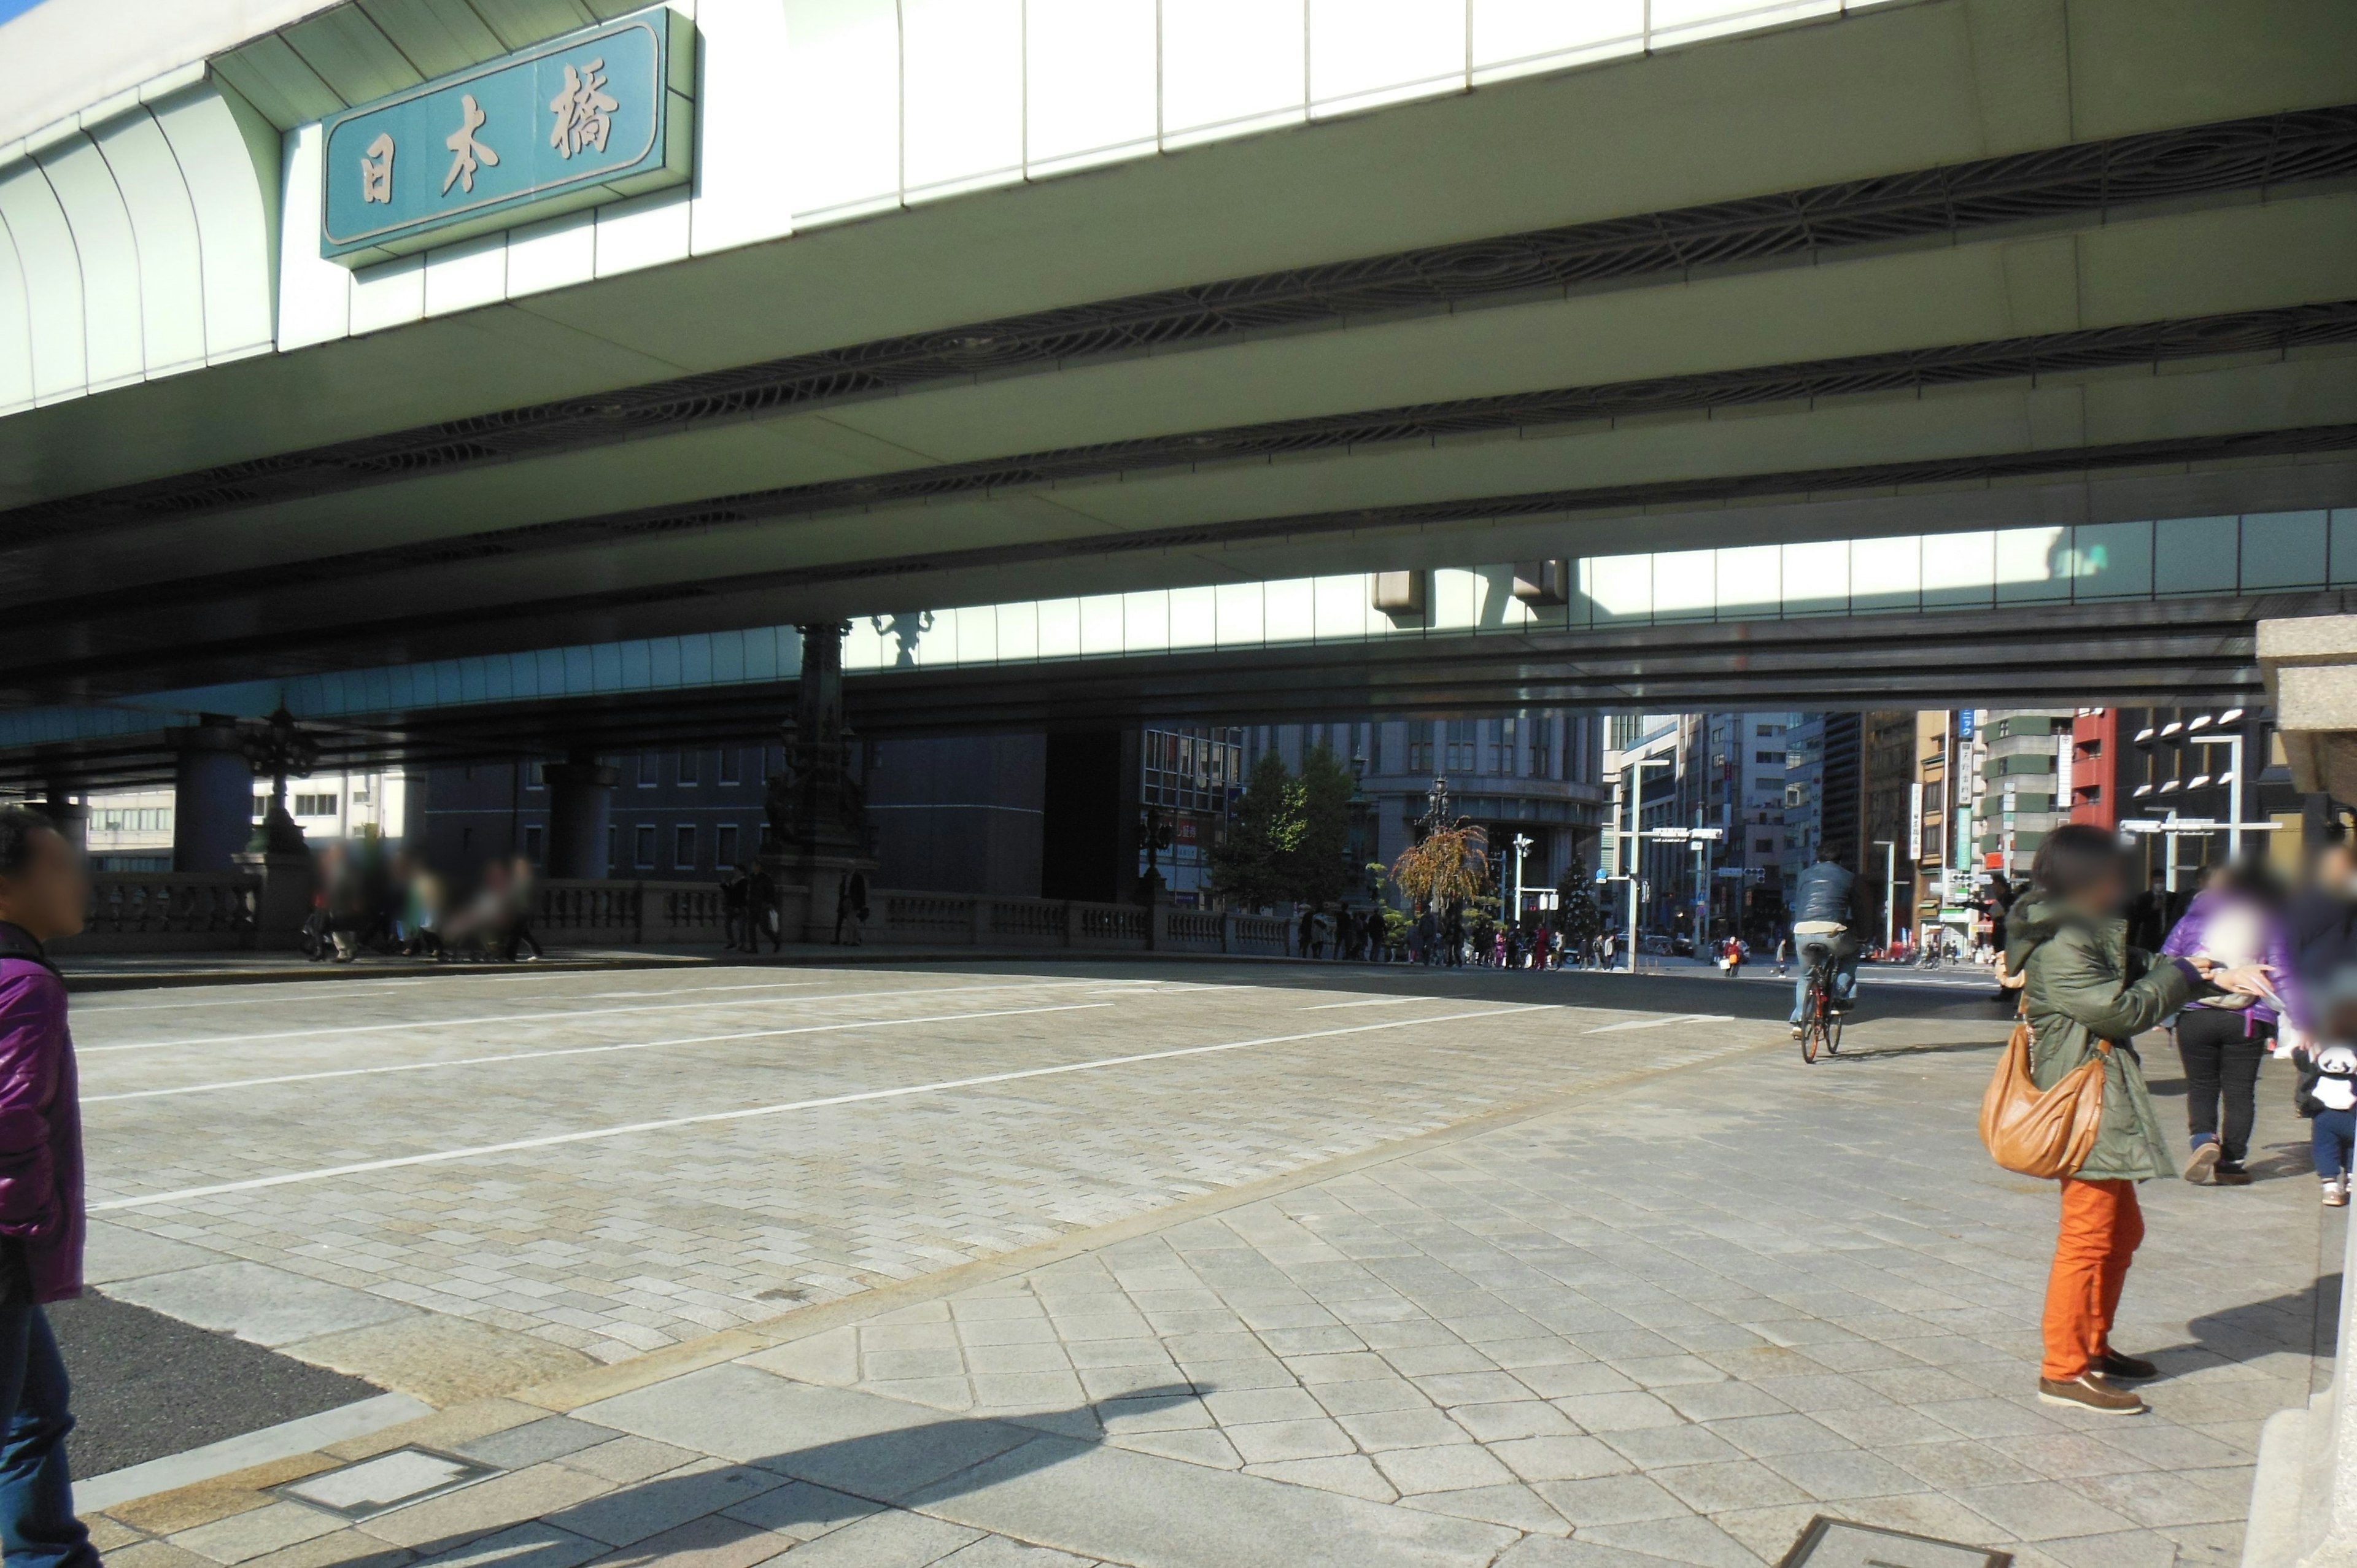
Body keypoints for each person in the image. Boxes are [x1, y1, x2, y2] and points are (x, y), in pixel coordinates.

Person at [2006, 822, 2270, 1415]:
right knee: (2088, 1236)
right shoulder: (2065, 936)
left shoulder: (2083, 926)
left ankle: (2093, 1348)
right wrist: (2183, 977)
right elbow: (2117, 1009)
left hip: (2105, 1094)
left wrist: (2203, 968)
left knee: (2121, 1233)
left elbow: (2135, 962)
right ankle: (2063, 1368)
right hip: (2085, 1099)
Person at [0, 807, 101, 1568]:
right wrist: (36, 1222)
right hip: (4, 1247)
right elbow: (8, 1119)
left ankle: (51, 1556)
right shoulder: (25, 981)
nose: (79, 878)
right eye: (60, 864)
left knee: (37, 1412)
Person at [2160, 860, 2302, 1185]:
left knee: (2201, 1086)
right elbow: (2281, 972)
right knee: (2240, 1093)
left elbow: (2167, 963)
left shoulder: (2193, 917)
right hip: (2247, 1019)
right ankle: (2232, 1163)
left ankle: (2204, 1140)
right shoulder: (2267, 918)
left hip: (2195, 1013)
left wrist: (2164, 1013)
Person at [2291, 971, 2357, 1207]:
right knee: (2342, 1148)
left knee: (2330, 1148)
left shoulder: (2322, 1041)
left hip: (2330, 1114)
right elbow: (2302, 1060)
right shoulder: (2322, 1041)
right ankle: (2342, 1181)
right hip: (2337, 1112)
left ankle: (2337, 1182)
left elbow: (2302, 1062)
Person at [1788, 848, 1860, 1037]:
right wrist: (1862, 934)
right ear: (1839, 861)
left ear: (1817, 860)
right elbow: (1858, 908)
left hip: (1802, 930)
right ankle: (1838, 996)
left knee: (1806, 975)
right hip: (1832, 931)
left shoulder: (1805, 875)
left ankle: (1799, 1020)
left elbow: (1800, 902)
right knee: (1851, 954)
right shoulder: (1848, 876)